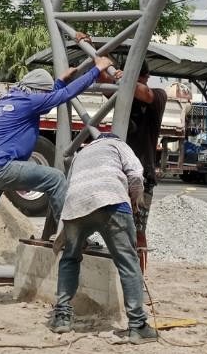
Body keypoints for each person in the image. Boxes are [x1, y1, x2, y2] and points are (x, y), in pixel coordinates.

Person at [0, 54, 115, 312]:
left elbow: (46, 99)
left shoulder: (11, 98)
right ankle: (73, 232)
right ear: (37, 92)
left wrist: (59, 81)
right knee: (55, 178)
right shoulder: (29, 102)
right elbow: (62, 97)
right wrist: (95, 70)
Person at [48, 133, 157, 343]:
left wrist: (63, 233)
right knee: (128, 262)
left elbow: (70, 188)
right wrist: (135, 199)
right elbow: (136, 174)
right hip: (112, 201)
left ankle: (62, 317)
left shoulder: (81, 154)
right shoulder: (118, 145)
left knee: (70, 258)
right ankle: (138, 325)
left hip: (76, 206)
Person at [100, 62, 166, 270]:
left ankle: (138, 277)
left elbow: (144, 93)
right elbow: (103, 80)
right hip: (119, 174)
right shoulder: (123, 97)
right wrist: (99, 58)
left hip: (143, 176)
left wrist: (124, 79)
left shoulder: (158, 96)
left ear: (145, 77)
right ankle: (124, 272)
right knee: (116, 228)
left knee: (138, 232)